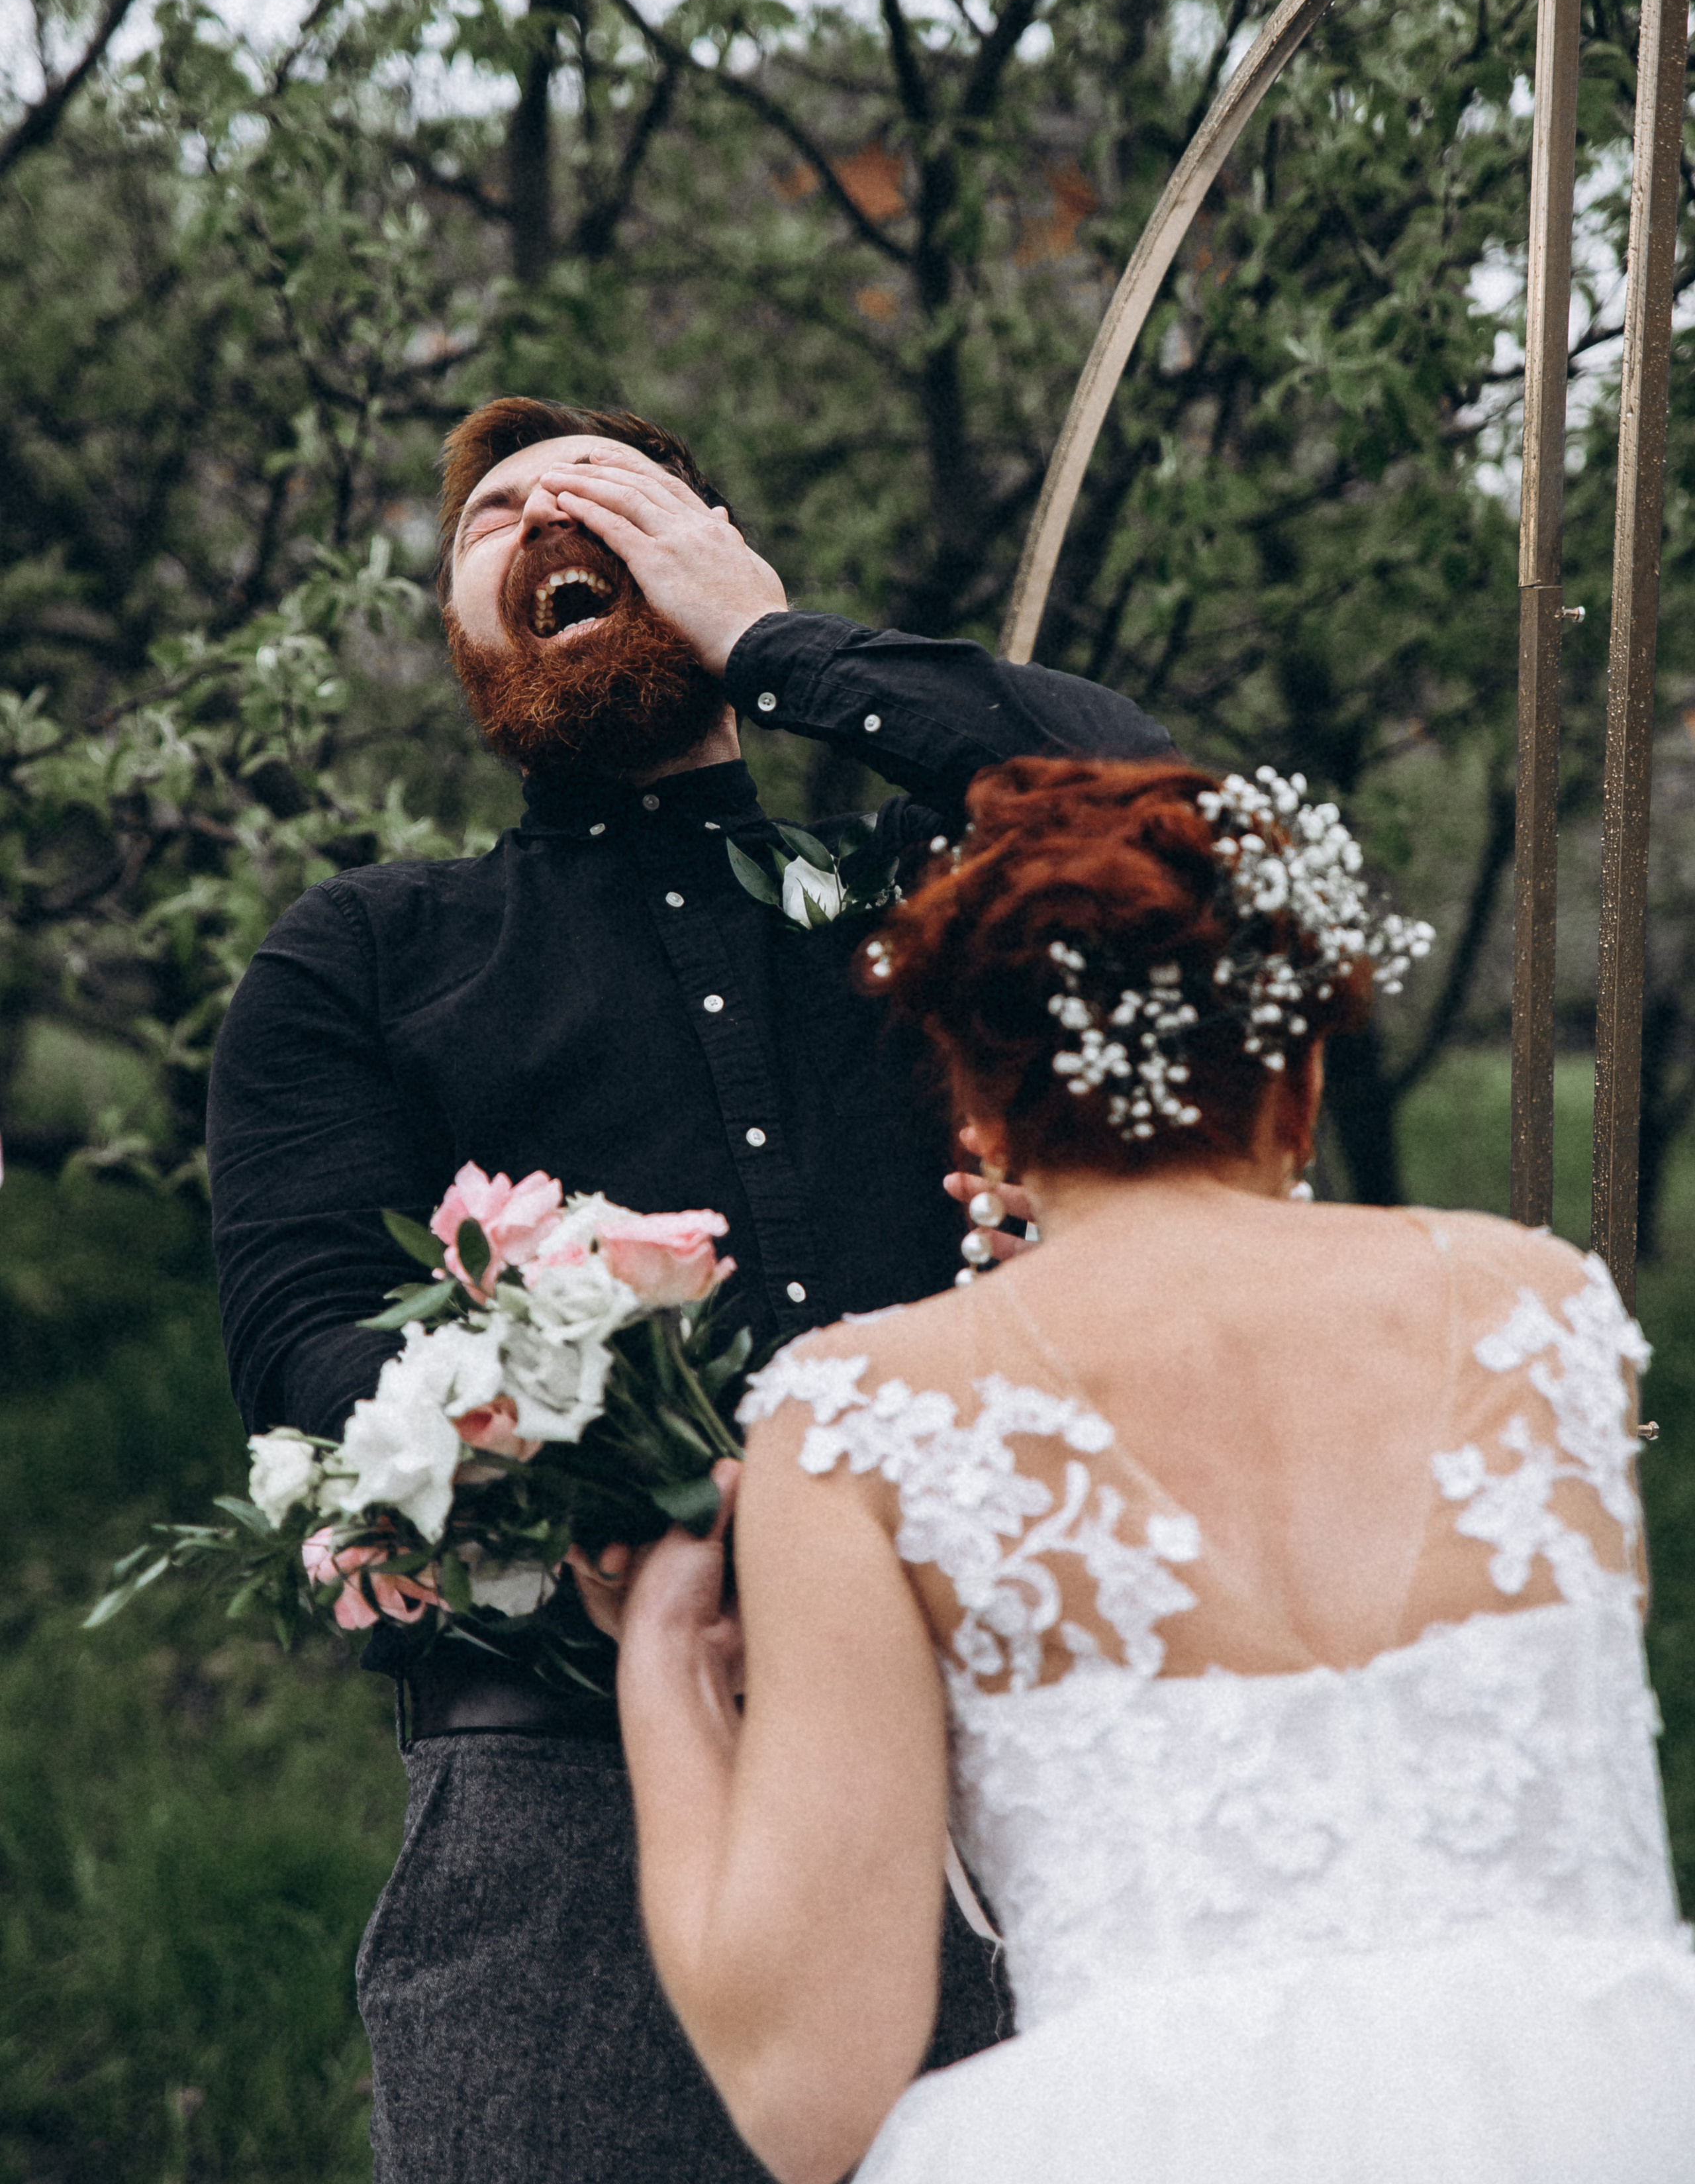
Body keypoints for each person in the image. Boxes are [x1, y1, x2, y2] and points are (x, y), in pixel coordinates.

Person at [204, 398, 1176, 2184]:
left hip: (1016, 1806)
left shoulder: (931, 887)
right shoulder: (361, 956)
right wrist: (584, 1479)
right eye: (497, 518)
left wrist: (778, 644)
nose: (548, 516)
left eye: (613, 492)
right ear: (464, 633)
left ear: (709, 544)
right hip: (568, 1831)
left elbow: (1159, 823)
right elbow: (305, 1342)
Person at [581, 754, 1695, 2184]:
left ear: (976, 1107)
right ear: (1294, 1071)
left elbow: (809, 2095)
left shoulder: (868, 1413)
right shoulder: (1539, 1311)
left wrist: (664, 1661)